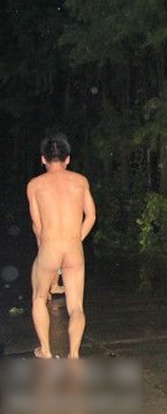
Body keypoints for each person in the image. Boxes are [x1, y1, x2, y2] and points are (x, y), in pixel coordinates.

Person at [27, 133, 96, 359]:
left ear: (43, 159)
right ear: (67, 159)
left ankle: (46, 350)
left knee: (39, 297)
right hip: (73, 248)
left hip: (50, 247)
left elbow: (37, 225)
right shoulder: (80, 181)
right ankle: (74, 354)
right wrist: (77, 238)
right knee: (76, 307)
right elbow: (91, 216)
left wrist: (44, 248)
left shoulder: (35, 185)